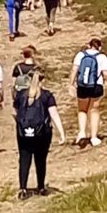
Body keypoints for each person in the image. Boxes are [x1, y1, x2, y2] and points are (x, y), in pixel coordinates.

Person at [14, 68, 66, 199]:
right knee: (40, 159)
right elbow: (54, 114)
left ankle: (23, 189)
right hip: (42, 133)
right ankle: (41, 187)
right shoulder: (47, 95)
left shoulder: (21, 95)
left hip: (23, 133)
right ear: (43, 80)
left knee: (24, 159)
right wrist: (61, 133)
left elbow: (16, 113)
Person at [69, 38, 107, 148]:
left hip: (82, 86)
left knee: (82, 109)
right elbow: (106, 74)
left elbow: (74, 70)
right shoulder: (102, 57)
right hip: (96, 86)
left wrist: (71, 84)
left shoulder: (80, 55)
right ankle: (94, 137)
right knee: (94, 110)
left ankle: (81, 132)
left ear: (89, 45)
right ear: (99, 47)